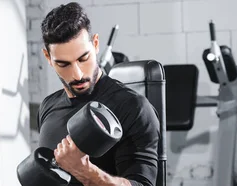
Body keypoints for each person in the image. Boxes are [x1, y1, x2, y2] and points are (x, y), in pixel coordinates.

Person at [36, 2, 160, 186]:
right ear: (48, 58)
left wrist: (84, 171)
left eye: (83, 58)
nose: (77, 74)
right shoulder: (48, 106)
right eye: (64, 64)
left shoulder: (133, 107)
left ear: (95, 44)